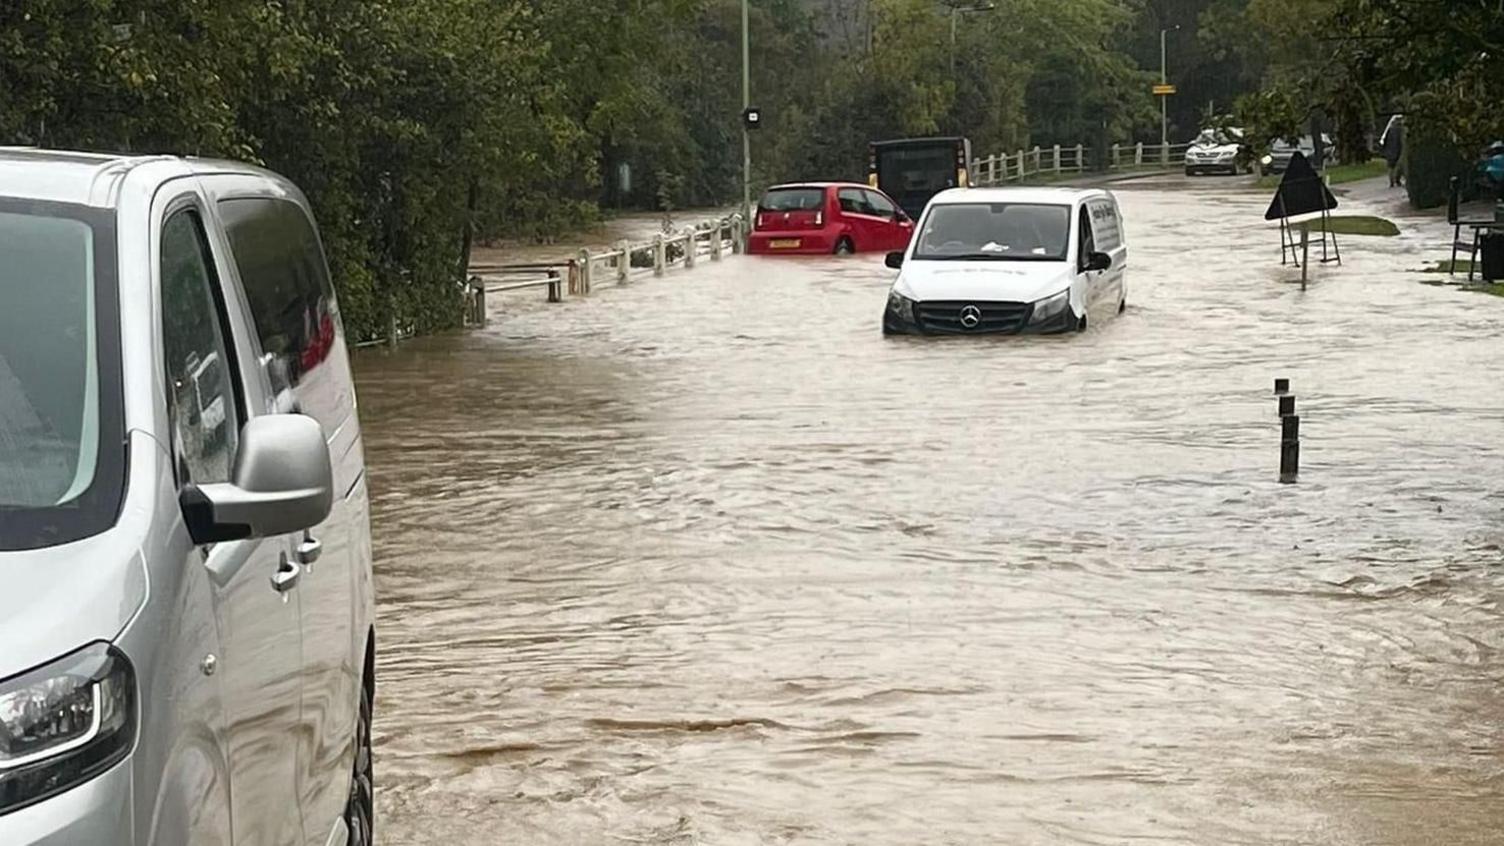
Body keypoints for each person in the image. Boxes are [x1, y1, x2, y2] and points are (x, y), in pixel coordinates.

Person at [1380, 115, 1405, 187]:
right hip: (1397, 150)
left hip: (1389, 150)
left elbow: (1385, 140)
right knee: (1398, 166)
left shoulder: (1390, 129)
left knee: (1390, 166)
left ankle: (1392, 181)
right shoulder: (1401, 130)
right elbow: (1402, 141)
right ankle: (1397, 180)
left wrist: (1384, 149)